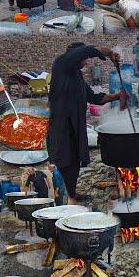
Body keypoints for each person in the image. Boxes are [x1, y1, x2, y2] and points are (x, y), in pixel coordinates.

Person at [46, 42, 127, 204]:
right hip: (62, 125)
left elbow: (96, 98)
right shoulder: (61, 64)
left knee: (74, 162)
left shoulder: (77, 75)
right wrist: (108, 52)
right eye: (83, 58)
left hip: (76, 125)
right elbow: (89, 50)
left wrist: (118, 95)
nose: (85, 61)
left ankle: (72, 194)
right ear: (75, 55)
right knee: (64, 161)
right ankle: (65, 198)